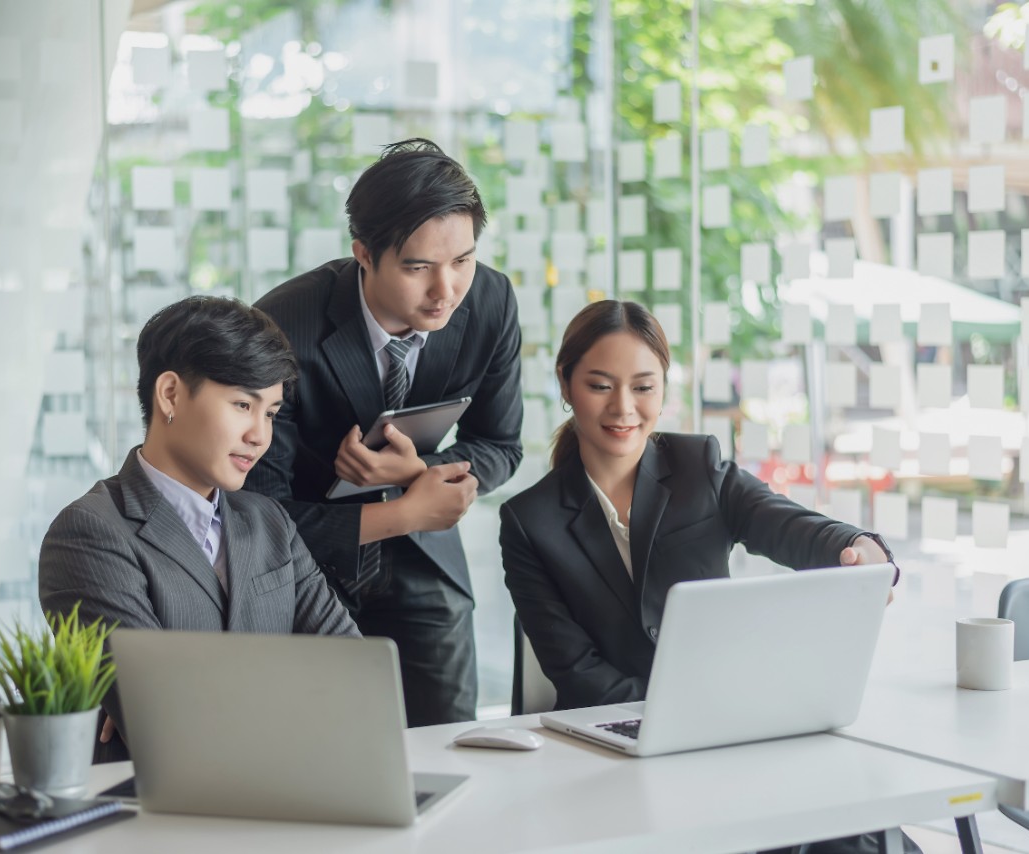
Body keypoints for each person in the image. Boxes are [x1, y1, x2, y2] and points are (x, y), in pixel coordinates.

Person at [500, 299, 900, 712]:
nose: (623, 407)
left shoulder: (698, 467)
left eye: (643, 387)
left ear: (663, 389)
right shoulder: (529, 523)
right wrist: (688, 709)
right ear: (565, 384)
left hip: (720, 719)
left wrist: (858, 546)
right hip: (606, 732)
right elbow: (579, 675)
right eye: (600, 386)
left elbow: (783, 524)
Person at [247, 138, 523, 726]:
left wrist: (420, 473)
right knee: (323, 755)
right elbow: (258, 509)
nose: (446, 290)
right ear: (364, 254)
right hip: (307, 568)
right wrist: (404, 510)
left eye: (463, 261)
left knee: (451, 743)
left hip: (425, 563)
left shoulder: (492, 301)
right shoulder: (282, 327)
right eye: (419, 267)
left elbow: (502, 445)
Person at [39, 296, 360, 763]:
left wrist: (197, 693)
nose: (260, 435)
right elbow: (167, 723)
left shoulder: (268, 520)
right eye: (242, 405)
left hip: (283, 796)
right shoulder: (88, 533)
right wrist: (288, 679)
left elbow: (353, 678)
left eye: (269, 413)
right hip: (153, 818)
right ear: (170, 394)